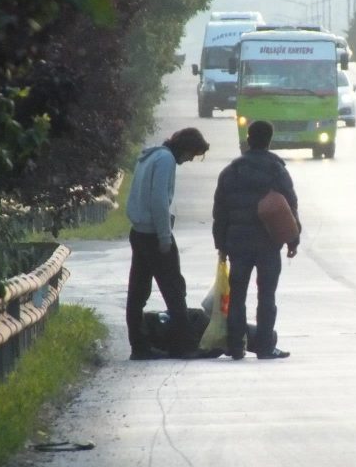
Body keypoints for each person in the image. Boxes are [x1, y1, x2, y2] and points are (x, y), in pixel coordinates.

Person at [212, 120, 301, 360]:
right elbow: (289, 205)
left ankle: (235, 346)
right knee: (267, 295)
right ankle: (264, 346)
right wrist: (293, 239)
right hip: (268, 242)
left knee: (237, 295)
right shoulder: (276, 170)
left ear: (248, 139)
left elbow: (220, 210)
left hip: (237, 243)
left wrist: (220, 243)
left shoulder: (231, 171)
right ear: (269, 140)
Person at [126, 127, 210, 360]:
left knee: (138, 291)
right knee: (174, 290)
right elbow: (159, 200)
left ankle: (139, 346)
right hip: (154, 234)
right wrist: (164, 236)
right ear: (185, 148)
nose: (190, 159)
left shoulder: (150, 156)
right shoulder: (166, 160)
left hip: (139, 231)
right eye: (192, 154)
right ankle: (183, 345)